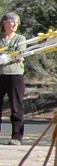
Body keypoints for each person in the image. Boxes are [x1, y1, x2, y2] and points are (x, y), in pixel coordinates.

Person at [0, 11, 25, 145]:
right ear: (4, 24)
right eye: (12, 21)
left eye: (16, 22)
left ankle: (16, 136)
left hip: (15, 75)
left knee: (16, 106)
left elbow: (20, 55)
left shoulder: (20, 39)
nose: (15, 24)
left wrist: (7, 57)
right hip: (0, 75)